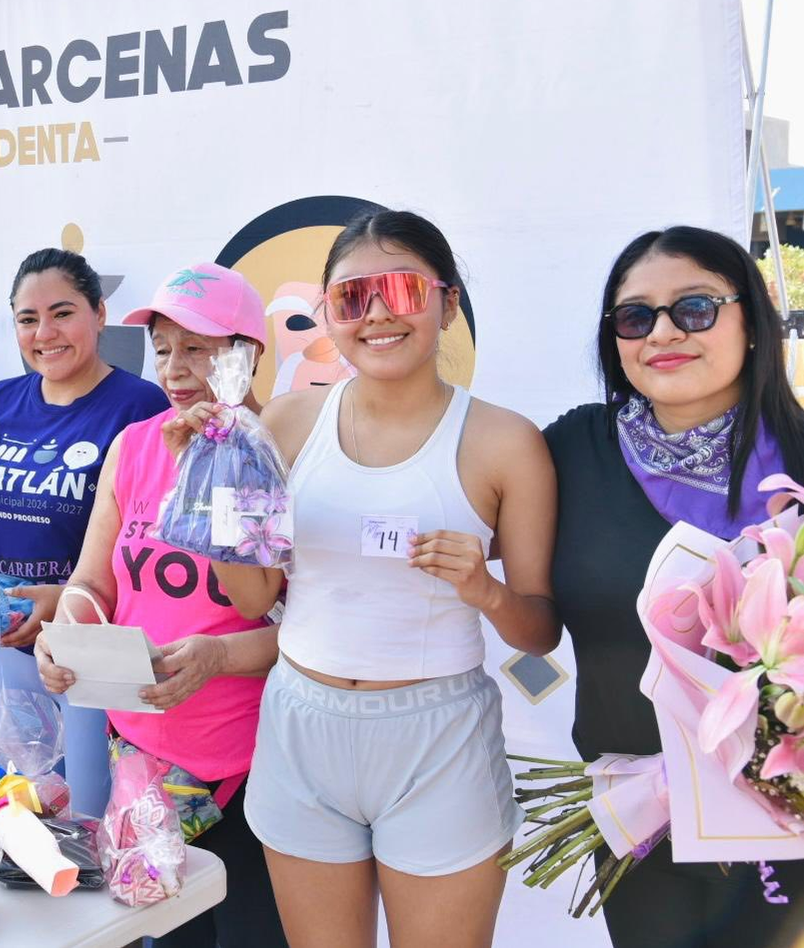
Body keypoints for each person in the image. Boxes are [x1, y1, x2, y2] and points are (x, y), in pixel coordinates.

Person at [213, 209, 559, 948]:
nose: (375, 315)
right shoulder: (286, 422)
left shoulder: (506, 442)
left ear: (448, 303)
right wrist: (219, 482)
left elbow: (540, 631)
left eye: (400, 291)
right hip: (300, 726)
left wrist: (486, 591)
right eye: (349, 298)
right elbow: (250, 596)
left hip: (438, 739)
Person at [545, 226, 804, 947]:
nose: (662, 332)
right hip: (639, 813)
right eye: (636, 317)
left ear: (752, 319)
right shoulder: (575, 450)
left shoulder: (800, 455)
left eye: (694, 308)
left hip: (783, 811)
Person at [34, 263, 286, 948]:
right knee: (169, 936)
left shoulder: (276, 450)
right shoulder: (135, 445)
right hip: (142, 753)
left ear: (246, 355)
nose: (174, 369)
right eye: (164, 348)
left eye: (196, 349)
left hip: (252, 764)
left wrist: (217, 657)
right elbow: (93, 583)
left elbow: (301, 627)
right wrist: (63, 633)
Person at [0, 248, 169, 815]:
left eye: (62, 313)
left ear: (99, 313)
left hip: (92, 649)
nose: (44, 333)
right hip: (6, 647)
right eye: (28, 319)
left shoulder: (141, 406)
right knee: (25, 808)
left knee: (90, 817)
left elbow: (151, 548)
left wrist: (63, 599)